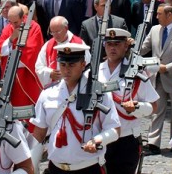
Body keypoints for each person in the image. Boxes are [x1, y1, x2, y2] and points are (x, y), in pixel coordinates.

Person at [31, 42, 121, 174]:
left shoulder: (98, 93)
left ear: (83, 64)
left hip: (88, 168)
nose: (66, 70)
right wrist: (31, 165)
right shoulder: (48, 93)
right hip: (56, 168)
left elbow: (114, 129)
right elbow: (39, 133)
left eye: (72, 65)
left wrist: (98, 140)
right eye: (63, 65)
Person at [100, 28, 158, 174]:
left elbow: (153, 105)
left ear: (125, 46)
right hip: (101, 137)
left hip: (126, 139)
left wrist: (137, 107)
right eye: (109, 44)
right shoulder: (94, 73)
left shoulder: (136, 72)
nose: (112, 48)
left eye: (117, 44)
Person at [141, 5, 172, 155]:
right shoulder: (155, 30)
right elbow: (144, 48)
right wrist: (129, 47)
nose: (156, 17)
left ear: (169, 15)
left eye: (159, 14)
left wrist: (167, 67)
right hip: (157, 78)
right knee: (156, 110)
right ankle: (153, 144)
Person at [36, 16, 89, 86]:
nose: (55, 35)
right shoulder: (48, 45)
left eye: (57, 32)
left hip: (76, 86)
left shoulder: (79, 43)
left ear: (66, 28)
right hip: (55, 88)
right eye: (52, 32)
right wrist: (50, 73)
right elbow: (39, 67)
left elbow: (87, 66)